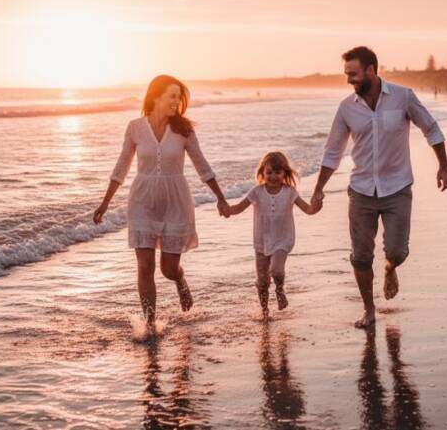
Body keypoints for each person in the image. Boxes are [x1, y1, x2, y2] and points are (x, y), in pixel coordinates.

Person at [311, 46, 447, 328]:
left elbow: (431, 128)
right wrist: (318, 189)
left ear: (371, 71)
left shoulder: (402, 97)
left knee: (398, 251)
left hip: (397, 188)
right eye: (346, 74)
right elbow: (332, 152)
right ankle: (369, 309)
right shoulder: (346, 108)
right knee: (361, 257)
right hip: (361, 191)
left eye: (353, 74)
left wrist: (444, 166)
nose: (349, 79)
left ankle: (390, 268)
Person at [93, 75, 230, 330]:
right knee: (145, 266)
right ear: (155, 96)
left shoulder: (184, 130)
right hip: (142, 200)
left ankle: (179, 280)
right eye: (172, 96)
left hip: (176, 202)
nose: (177, 102)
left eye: (179, 97)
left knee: (168, 269)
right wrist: (105, 203)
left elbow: (202, 166)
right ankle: (150, 324)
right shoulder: (135, 128)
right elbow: (121, 167)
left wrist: (221, 199)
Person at [227, 152, 318, 318]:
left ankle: (280, 289)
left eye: (277, 172)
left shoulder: (290, 192)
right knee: (262, 282)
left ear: (285, 173)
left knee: (276, 270)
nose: (273, 176)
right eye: (269, 173)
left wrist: (316, 206)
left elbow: (308, 209)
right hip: (261, 240)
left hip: (283, 239)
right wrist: (227, 210)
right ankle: (264, 312)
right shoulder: (257, 191)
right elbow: (239, 208)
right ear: (263, 173)